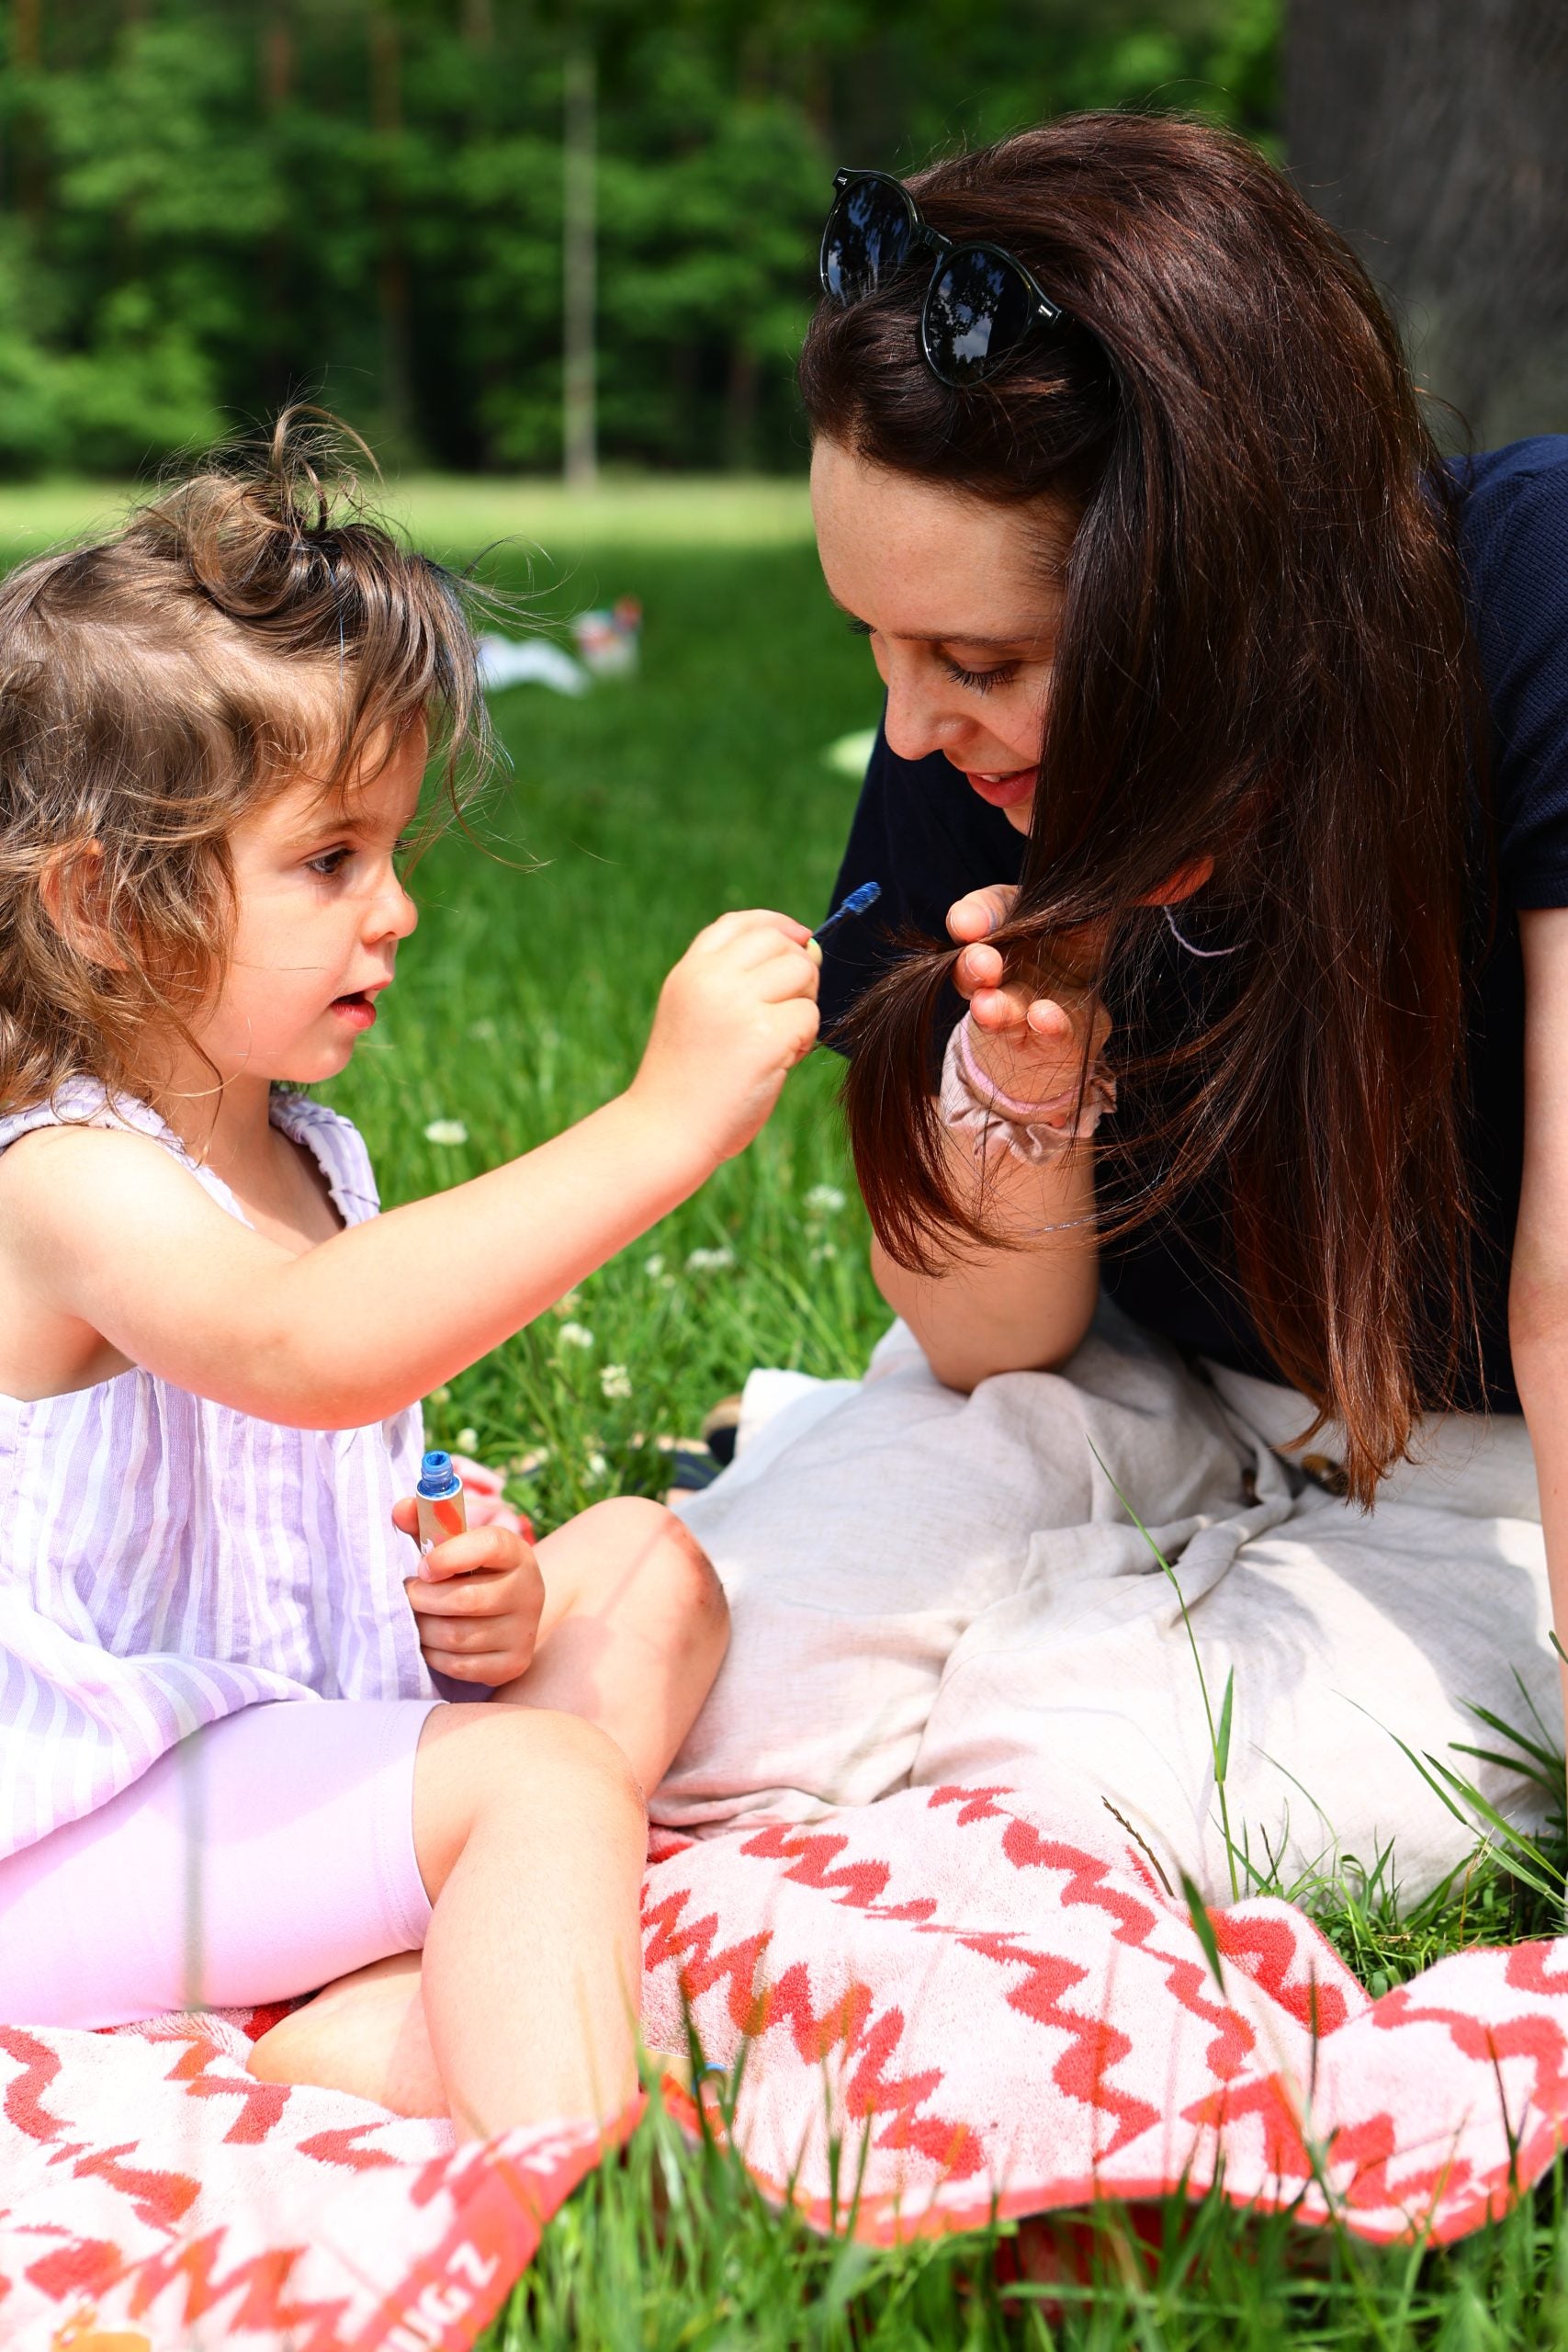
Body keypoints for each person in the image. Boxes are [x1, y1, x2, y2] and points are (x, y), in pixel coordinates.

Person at [652, 117, 1568, 1903]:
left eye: (977, 663)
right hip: (1135, 1381)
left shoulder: (1527, 593)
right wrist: (1020, 1105)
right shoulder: (975, 764)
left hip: (1499, 1472)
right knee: (702, 1697)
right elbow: (995, 1339)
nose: (910, 732)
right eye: (876, 651)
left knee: (1059, 1804)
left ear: (1219, 590)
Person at [0, 417, 821, 2137]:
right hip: (70, 1840)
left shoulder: (310, 1154)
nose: (398, 914)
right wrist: (661, 1126)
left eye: (391, 853)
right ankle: (585, 2185)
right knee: (536, 1779)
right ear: (102, 903)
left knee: (653, 1561)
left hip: (268, 1762)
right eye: (328, 862)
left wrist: (465, 1600)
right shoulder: (64, 1179)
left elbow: (314, 1494)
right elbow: (308, 1355)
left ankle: (371, 2017)